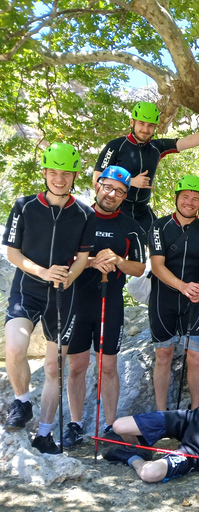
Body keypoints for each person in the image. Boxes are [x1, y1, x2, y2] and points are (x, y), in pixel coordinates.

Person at [2, 142, 95, 453]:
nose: (59, 179)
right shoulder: (24, 206)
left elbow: (83, 257)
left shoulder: (84, 213)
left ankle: (44, 434)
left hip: (64, 296)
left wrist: (71, 275)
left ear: (74, 176)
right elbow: (12, 252)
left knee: (55, 367)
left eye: (66, 173)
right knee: (15, 347)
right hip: (27, 289)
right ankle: (22, 401)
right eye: (53, 172)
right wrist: (42, 272)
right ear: (44, 172)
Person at [63, 166, 146, 447]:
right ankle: (75, 424)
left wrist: (118, 261)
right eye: (108, 187)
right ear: (98, 185)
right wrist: (90, 261)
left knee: (108, 366)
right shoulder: (77, 218)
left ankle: (110, 425)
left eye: (120, 191)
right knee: (77, 366)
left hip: (109, 303)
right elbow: (61, 259)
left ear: (125, 196)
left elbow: (139, 268)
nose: (112, 194)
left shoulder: (131, 227)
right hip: (76, 302)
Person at [93, 101, 199, 233]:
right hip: (116, 208)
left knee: (164, 241)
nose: (145, 129)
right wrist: (131, 181)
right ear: (132, 122)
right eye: (141, 123)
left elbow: (189, 141)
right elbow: (97, 180)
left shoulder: (156, 147)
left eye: (151, 125)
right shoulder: (116, 146)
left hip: (142, 212)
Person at [148, 175, 199, 410]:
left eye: (195, 198)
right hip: (163, 300)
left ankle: (195, 411)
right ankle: (161, 413)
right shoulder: (159, 226)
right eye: (185, 197)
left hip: (194, 301)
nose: (189, 202)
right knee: (164, 355)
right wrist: (182, 286)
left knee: (196, 357)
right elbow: (157, 266)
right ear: (176, 198)